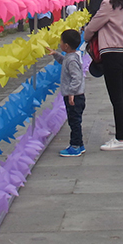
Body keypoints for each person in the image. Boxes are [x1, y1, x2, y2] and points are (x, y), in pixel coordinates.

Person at [85, 0, 123, 151]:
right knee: (122, 95)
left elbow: (92, 27)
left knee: (116, 99)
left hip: (111, 55)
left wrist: (86, 36)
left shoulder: (108, 4)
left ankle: (120, 139)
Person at [51, 29, 86, 157]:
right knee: (75, 120)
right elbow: (64, 61)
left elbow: (77, 77)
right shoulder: (71, 56)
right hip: (75, 96)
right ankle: (79, 144)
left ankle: (75, 146)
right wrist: (56, 54)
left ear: (66, 45)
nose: (60, 43)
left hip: (74, 97)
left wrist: (72, 92)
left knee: (74, 121)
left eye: (61, 41)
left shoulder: (72, 60)